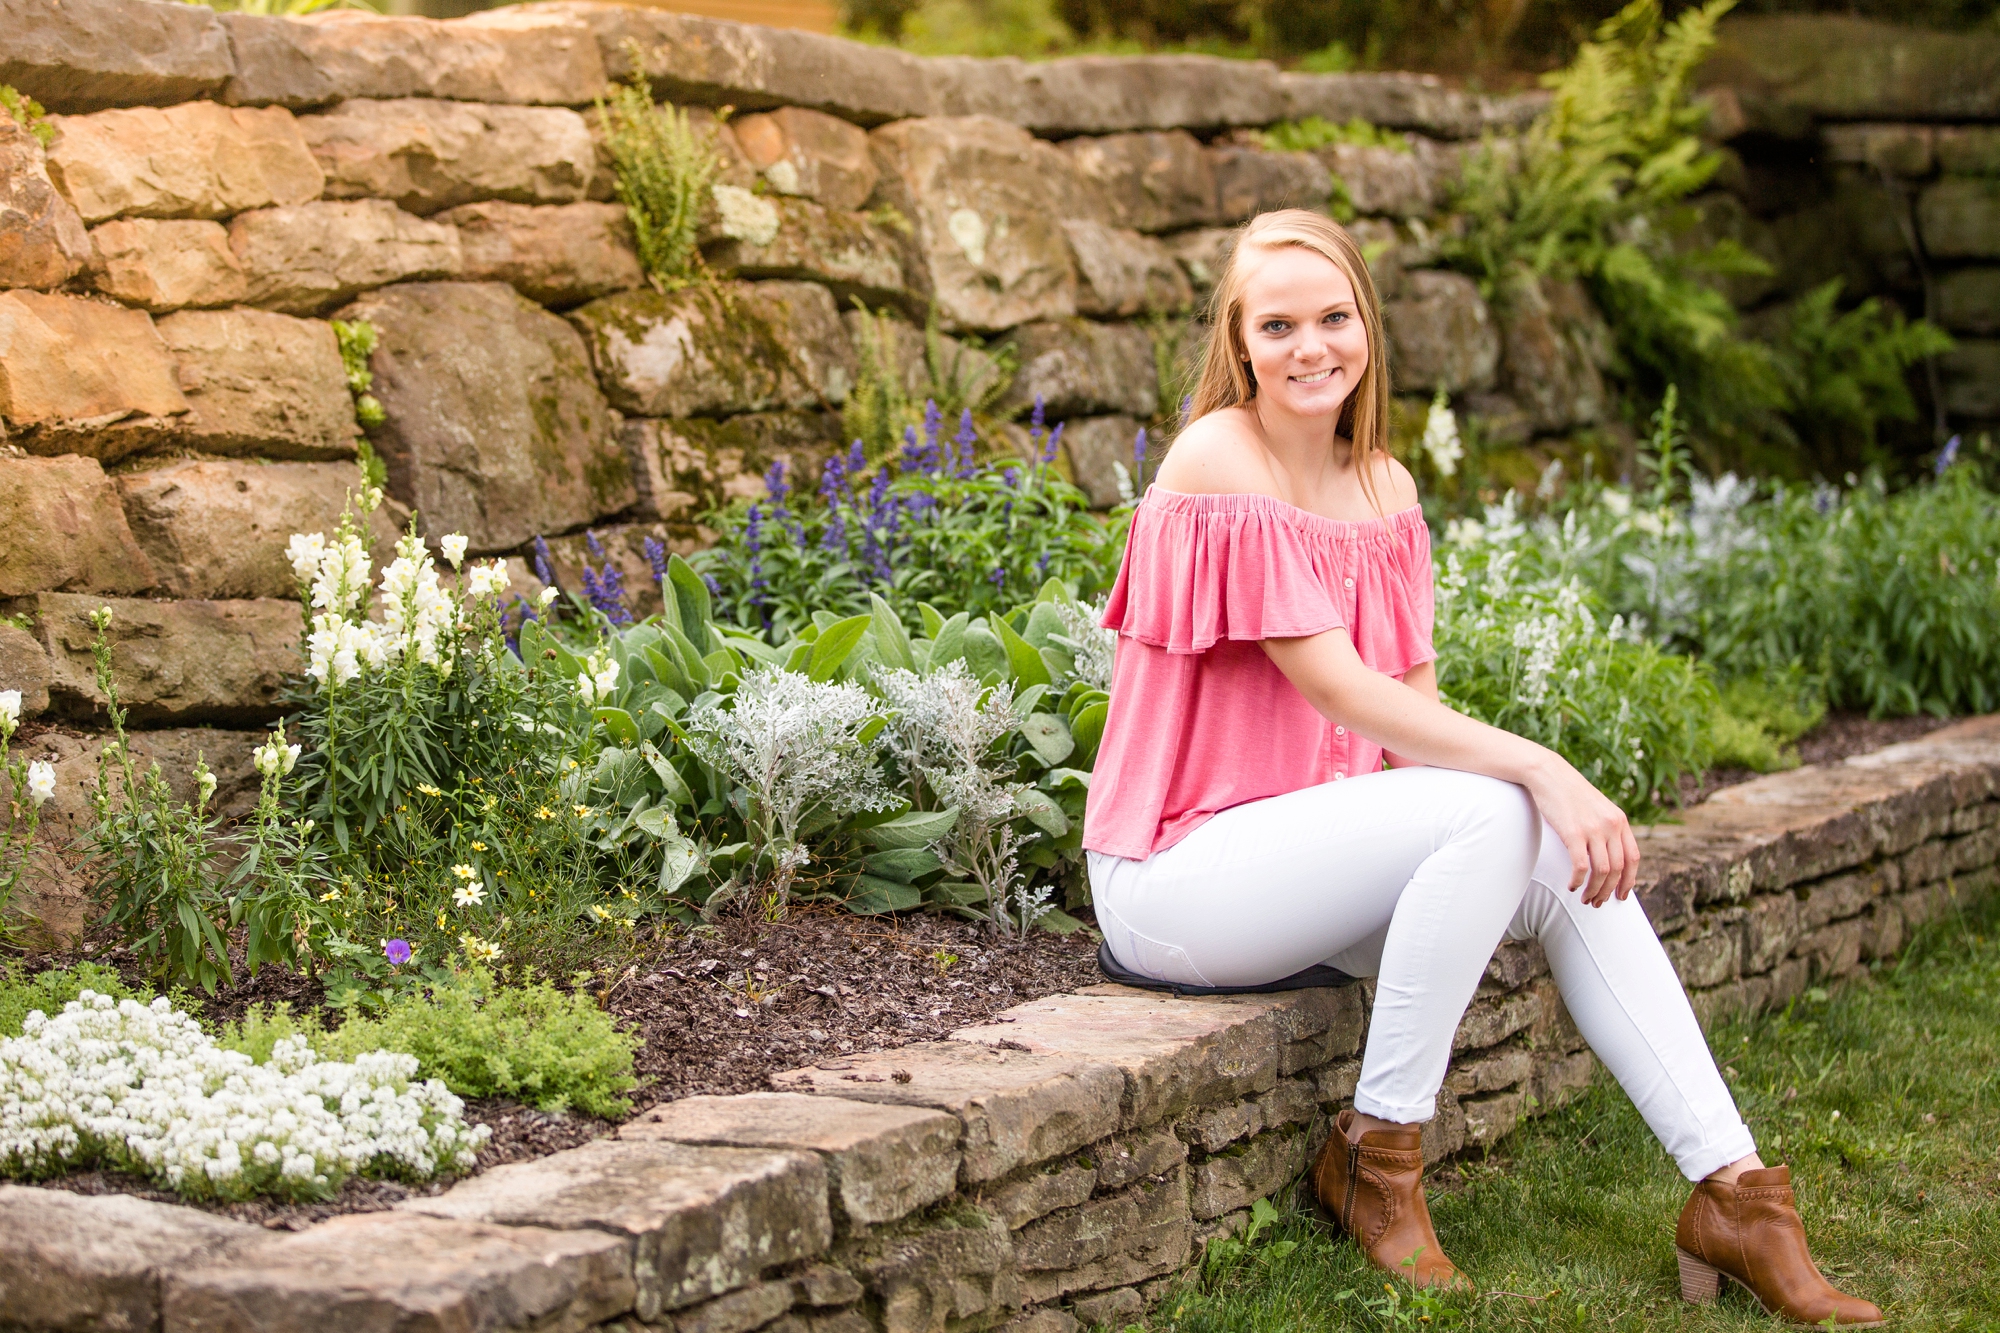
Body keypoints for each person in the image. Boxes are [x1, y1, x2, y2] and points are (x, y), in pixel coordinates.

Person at [1080, 209, 1882, 1326]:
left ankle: (1733, 1193)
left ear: (1366, 324)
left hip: (1302, 868)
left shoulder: (1385, 489)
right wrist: (1546, 764)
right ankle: (1376, 1157)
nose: (1309, 347)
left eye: (1332, 317)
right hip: (1175, 879)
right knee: (1501, 810)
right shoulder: (1219, 456)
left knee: (1542, 845)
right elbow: (1337, 689)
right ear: (1238, 338)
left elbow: (1407, 720)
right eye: (1277, 325)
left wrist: (1541, 795)